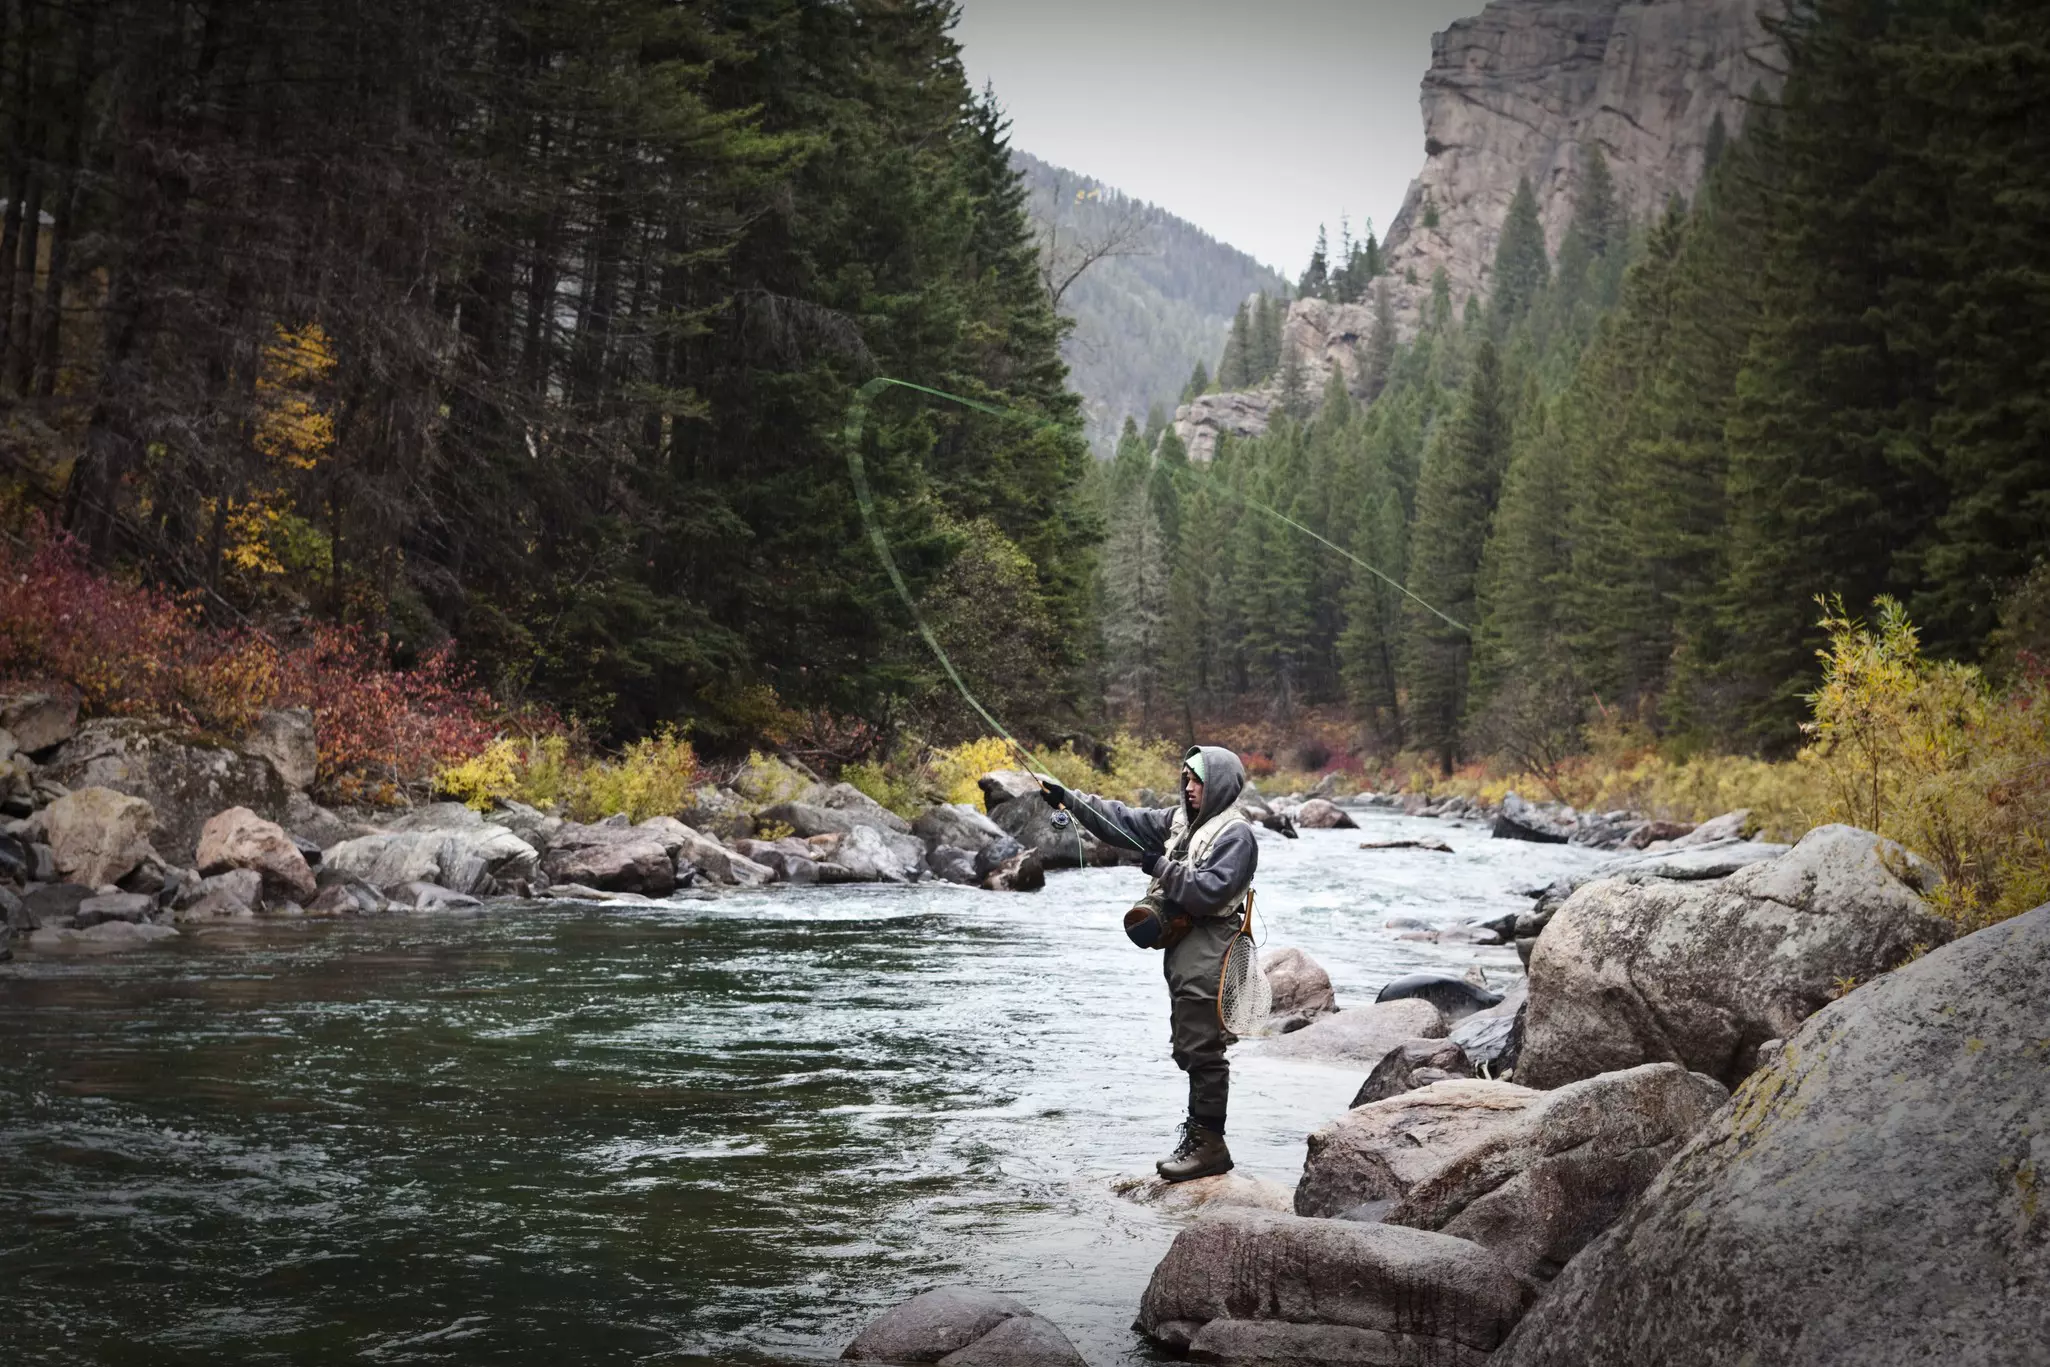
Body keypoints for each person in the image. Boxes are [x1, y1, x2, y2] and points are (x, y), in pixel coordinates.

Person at [1035, 746, 1257, 1182]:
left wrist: (1161, 868)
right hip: (1187, 947)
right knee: (1189, 1044)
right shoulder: (1177, 823)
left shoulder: (1236, 835)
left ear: (1218, 787)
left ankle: (1210, 1145)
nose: (1189, 788)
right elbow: (1121, 820)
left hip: (1214, 945)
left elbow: (1210, 891)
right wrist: (1068, 799)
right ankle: (1199, 1138)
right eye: (1187, 780)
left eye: (1198, 782)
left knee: (1203, 1049)